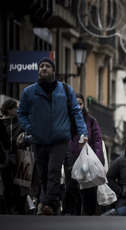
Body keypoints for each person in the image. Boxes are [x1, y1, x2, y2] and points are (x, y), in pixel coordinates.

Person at [17, 57, 88, 215]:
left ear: (53, 71)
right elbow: (21, 113)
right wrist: (30, 129)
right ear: (38, 70)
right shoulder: (29, 92)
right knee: (43, 174)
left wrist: (83, 133)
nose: (44, 68)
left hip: (60, 140)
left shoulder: (66, 89)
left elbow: (76, 112)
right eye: (41, 66)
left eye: (47, 66)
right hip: (39, 140)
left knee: (54, 170)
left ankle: (51, 204)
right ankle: (46, 203)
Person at [62, 93, 103, 216]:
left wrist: (97, 158)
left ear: (83, 104)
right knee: (71, 190)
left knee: (88, 190)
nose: (78, 106)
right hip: (71, 161)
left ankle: (88, 216)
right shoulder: (66, 120)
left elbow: (97, 140)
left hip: (87, 162)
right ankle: (72, 216)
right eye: (76, 103)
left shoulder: (90, 120)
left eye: (80, 103)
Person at [0, 98, 27, 214]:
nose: (17, 109)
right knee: (7, 184)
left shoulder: (21, 122)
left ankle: (19, 210)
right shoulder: (1, 122)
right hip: (5, 157)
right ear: (9, 109)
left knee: (21, 186)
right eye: (15, 107)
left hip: (22, 156)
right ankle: (8, 210)